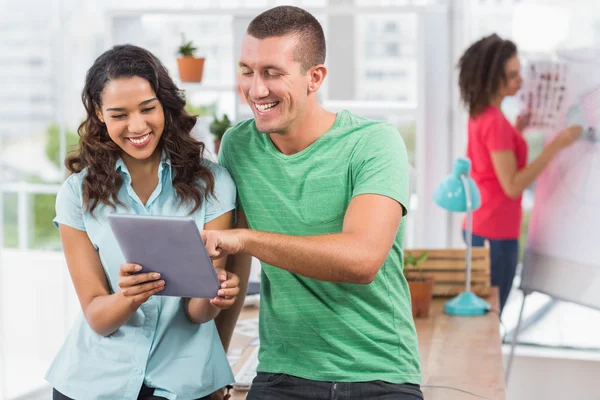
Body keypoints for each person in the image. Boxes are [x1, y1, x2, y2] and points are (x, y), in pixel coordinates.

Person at [207, 6, 423, 400]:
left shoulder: (374, 143)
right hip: (283, 373)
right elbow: (235, 264)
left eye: (272, 73)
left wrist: (247, 239)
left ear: (315, 77)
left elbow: (361, 261)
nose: (256, 90)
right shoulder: (238, 147)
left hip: (379, 373)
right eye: (247, 71)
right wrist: (213, 366)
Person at [46, 44, 240, 400]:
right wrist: (128, 298)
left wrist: (214, 293)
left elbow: (197, 314)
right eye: (119, 114)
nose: (137, 126)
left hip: (182, 384)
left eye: (148, 108)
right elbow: (97, 315)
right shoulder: (77, 194)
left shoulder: (213, 184)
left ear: (164, 104)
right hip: (94, 382)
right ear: (100, 114)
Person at [457, 34, 582, 313]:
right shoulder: (496, 123)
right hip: (495, 232)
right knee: (492, 315)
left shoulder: (482, 114)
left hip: (481, 224)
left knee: (485, 312)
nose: (520, 81)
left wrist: (517, 131)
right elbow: (512, 185)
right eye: (512, 75)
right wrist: (557, 144)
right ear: (493, 78)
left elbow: (490, 164)